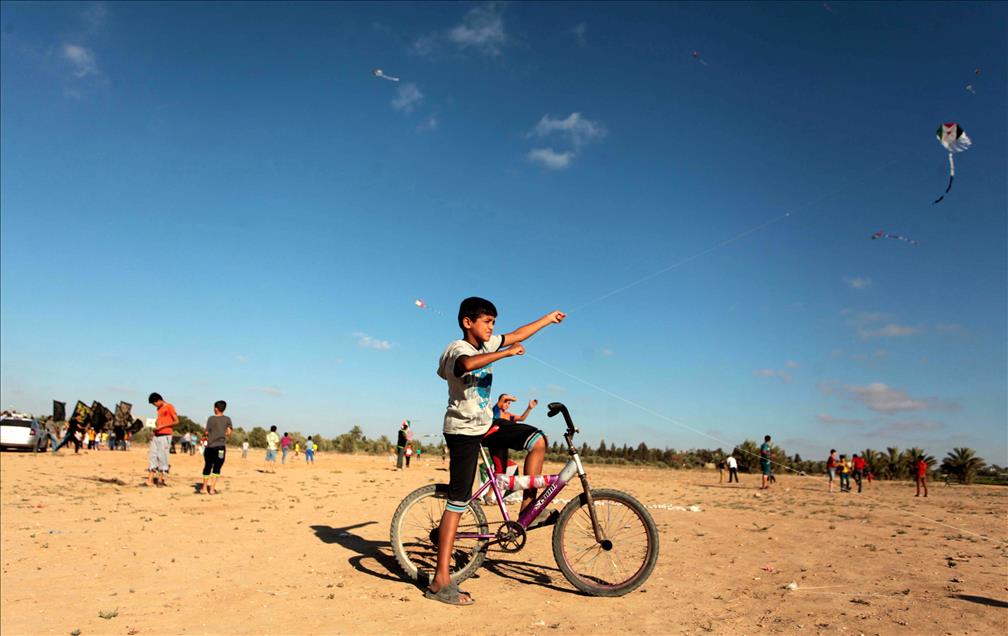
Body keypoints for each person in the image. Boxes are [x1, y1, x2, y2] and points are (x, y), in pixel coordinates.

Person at [427, 296, 564, 605]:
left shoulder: (486, 345)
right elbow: (465, 365)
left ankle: (528, 511)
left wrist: (548, 319)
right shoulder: (457, 349)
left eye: (493, 323)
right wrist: (505, 354)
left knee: (537, 440)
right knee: (459, 500)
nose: (492, 328)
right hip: (462, 431)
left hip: (486, 424)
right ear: (468, 323)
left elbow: (517, 334)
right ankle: (440, 580)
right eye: (487, 322)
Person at [200, 400, 232, 495]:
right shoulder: (227, 419)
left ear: (216, 408)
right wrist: (222, 433)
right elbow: (229, 433)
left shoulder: (211, 419)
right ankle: (212, 489)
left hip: (210, 447)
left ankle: (204, 488)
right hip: (221, 448)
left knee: (208, 465)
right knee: (217, 466)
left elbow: (206, 432)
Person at [147, 392, 178, 487]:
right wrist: (156, 427)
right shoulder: (158, 409)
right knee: (153, 456)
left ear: (159, 400)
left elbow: (176, 421)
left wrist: (162, 426)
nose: (155, 406)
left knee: (162, 457)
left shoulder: (169, 407)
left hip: (165, 435)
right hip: (156, 435)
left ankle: (160, 480)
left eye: (154, 403)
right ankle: (150, 480)